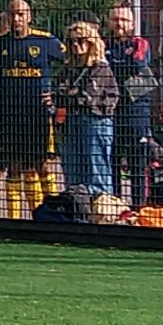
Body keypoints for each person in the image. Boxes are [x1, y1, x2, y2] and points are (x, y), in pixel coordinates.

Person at [0, 0, 58, 219]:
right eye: (13, 14)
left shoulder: (45, 41)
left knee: (39, 166)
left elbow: (70, 63)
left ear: (30, 16)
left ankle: (51, 214)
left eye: (21, 14)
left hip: (36, 117)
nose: (16, 19)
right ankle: (1, 219)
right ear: (7, 17)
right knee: (6, 168)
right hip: (4, 117)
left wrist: (56, 91)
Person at [53, 20, 119, 203]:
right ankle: (76, 209)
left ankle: (101, 211)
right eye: (72, 41)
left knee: (96, 169)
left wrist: (71, 96)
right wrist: (72, 96)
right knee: (72, 172)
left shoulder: (101, 68)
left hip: (95, 121)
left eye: (81, 40)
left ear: (91, 42)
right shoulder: (67, 69)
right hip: (70, 122)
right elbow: (60, 94)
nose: (76, 45)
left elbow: (90, 97)